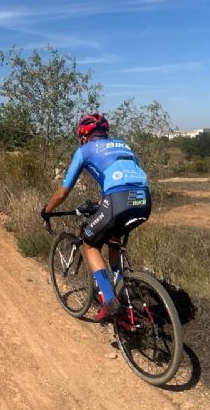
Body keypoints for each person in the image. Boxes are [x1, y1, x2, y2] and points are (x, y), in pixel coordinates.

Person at [41, 113, 151, 322]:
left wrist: (47, 210)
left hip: (117, 200)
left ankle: (110, 301)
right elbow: (124, 177)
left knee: (90, 244)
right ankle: (120, 289)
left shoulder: (84, 150)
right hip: (144, 200)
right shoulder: (124, 145)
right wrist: (104, 202)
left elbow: (64, 192)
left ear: (83, 136)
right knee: (113, 239)